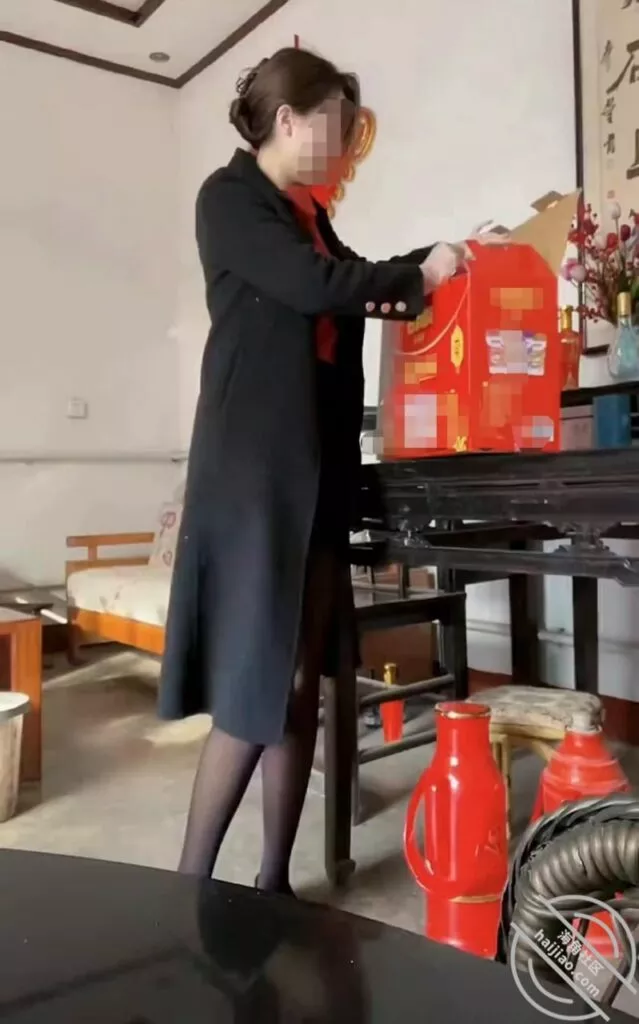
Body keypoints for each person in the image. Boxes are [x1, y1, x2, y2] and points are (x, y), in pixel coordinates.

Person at [158, 46, 505, 894]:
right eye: (337, 128)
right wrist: (419, 273)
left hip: (314, 467)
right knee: (261, 679)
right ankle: (185, 889)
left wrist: (450, 254)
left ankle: (274, 884)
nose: (345, 147)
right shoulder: (229, 198)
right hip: (252, 471)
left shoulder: (305, 216)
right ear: (289, 121)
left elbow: (350, 285)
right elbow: (317, 286)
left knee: (302, 678)